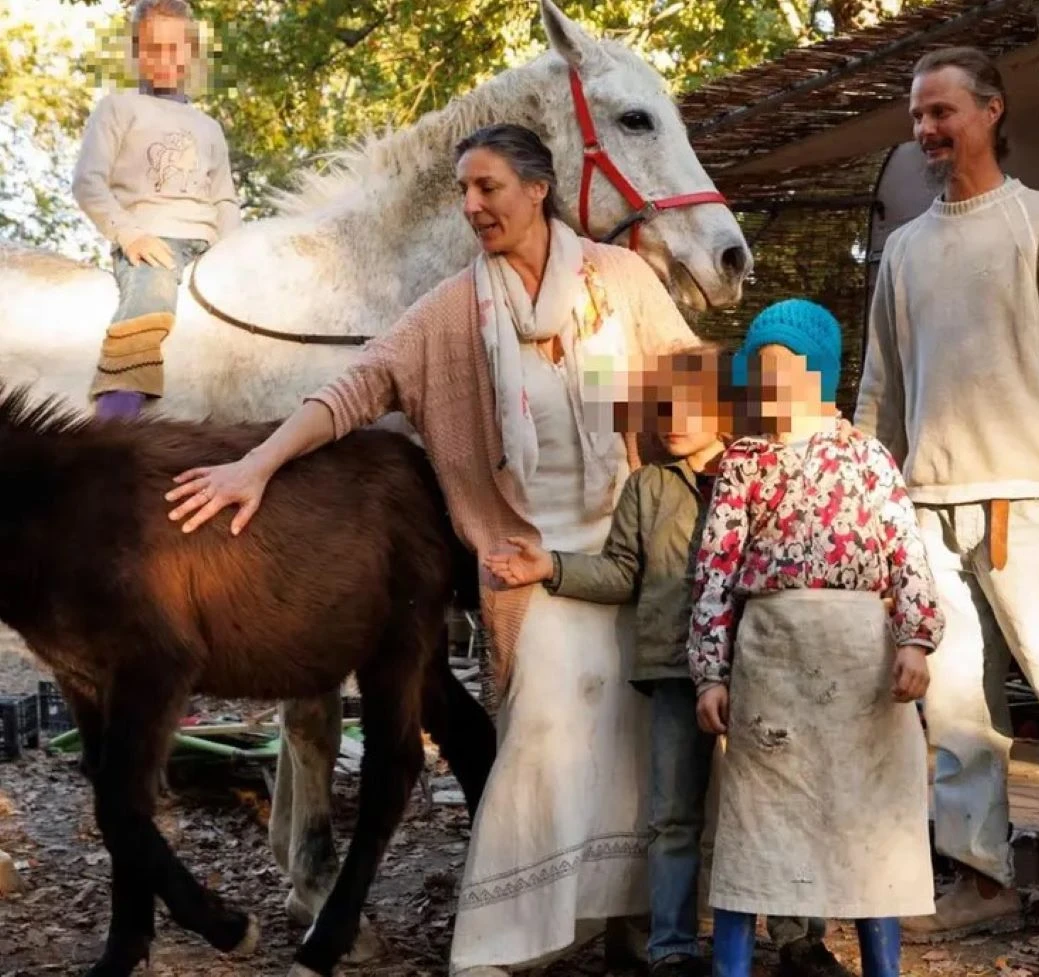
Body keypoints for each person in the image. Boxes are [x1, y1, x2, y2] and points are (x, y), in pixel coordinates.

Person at [163, 122, 698, 977]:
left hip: (632, 547)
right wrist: (255, 464)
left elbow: (694, 382)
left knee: (633, 743)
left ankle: (623, 920)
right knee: (544, 733)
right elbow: (355, 386)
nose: (471, 205)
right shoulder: (456, 310)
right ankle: (512, 937)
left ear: (537, 189)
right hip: (526, 558)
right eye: (463, 190)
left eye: (487, 187)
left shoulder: (621, 280)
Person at [853, 46, 1039, 972]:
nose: (926, 131)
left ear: (991, 111)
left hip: (1035, 503)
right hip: (925, 513)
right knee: (953, 709)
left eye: (942, 111)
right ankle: (982, 875)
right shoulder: (904, 250)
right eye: (917, 117)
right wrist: (870, 502)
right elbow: (879, 393)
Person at [482, 342, 853, 977]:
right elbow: (622, 572)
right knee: (672, 816)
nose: (674, 418)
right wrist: (550, 567)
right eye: (663, 407)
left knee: (781, 805)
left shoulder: (763, 471)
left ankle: (799, 940)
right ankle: (672, 949)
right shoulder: (647, 488)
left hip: (762, 665)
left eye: (691, 404)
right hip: (676, 672)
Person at [688, 299, 942, 977]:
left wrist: (914, 639)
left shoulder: (868, 457)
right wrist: (711, 671)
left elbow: (907, 554)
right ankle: (732, 965)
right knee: (756, 827)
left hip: (860, 665)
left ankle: (882, 966)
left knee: (867, 828)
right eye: (758, 370)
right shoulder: (743, 461)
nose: (764, 385)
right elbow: (714, 571)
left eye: (779, 369)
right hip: (771, 663)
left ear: (819, 374)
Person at [72, 0, 241, 420]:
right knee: (154, 293)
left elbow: (224, 198)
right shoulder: (118, 108)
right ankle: (115, 415)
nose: (163, 59)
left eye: (173, 48)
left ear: (190, 52)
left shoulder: (209, 128)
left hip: (209, 245)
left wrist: (235, 249)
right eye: (152, 48)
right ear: (135, 51)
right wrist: (129, 235)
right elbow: (87, 182)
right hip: (152, 241)